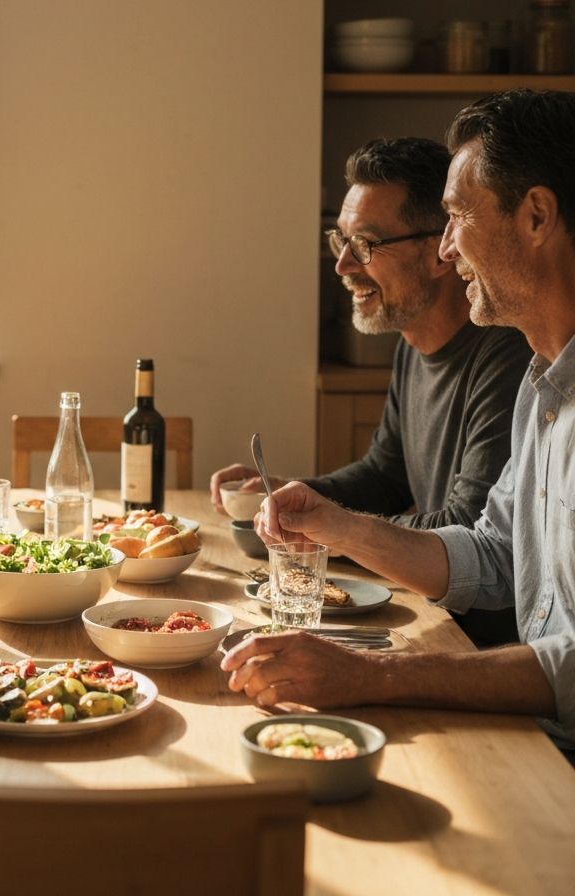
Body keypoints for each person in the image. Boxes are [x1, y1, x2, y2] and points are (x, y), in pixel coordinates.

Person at [223, 89, 575, 758]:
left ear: (536, 215)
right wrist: (335, 524)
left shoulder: (520, 369)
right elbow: (491, 555)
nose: (448, 246)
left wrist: (374, 674)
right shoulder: (544, 383)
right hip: (532, 732)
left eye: (458, 216)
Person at [210, 136, 530, 645]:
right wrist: (294, 494)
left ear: (440, 250)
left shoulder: (508, 357)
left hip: (476, 643)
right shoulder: (412, 344)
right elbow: (384, 474)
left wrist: (336, 529)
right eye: (340, 241)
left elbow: (467, 529)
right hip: (427, 615)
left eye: (365, 244)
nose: (343, 265)